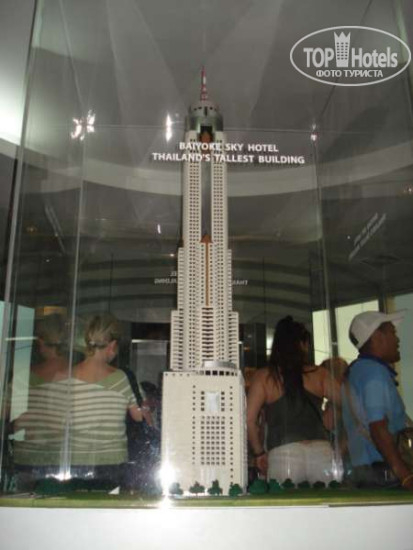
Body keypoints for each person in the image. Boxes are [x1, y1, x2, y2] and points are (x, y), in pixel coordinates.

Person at [247, 316, 342, 485]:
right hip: (321, 450)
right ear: (303, 344)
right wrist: (330, 412)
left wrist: (259, 453)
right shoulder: (319, 374)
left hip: (284, 453)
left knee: (285, 501)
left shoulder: (264, 377)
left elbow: (249, 419)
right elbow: (347, 402)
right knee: (326, 501)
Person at [342, 310, 413, 490]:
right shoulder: (374, 372)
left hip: (365, 472)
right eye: (392, 333)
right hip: (385, 476)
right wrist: (406, 477)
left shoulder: (357, 371)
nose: (397, 339)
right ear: (376, 337)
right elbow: (378, 427)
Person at [70, 313, 144, 484]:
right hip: (112, 462)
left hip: (74, 461)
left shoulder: (68, 374)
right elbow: (139, 416)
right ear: (112, 345)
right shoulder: (121, 377)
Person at [12, 314, 69, 488]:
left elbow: (9, 416)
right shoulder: (78, 375)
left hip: (27, 456)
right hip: (64, 459)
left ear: (41, 341)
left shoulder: (24, 377)